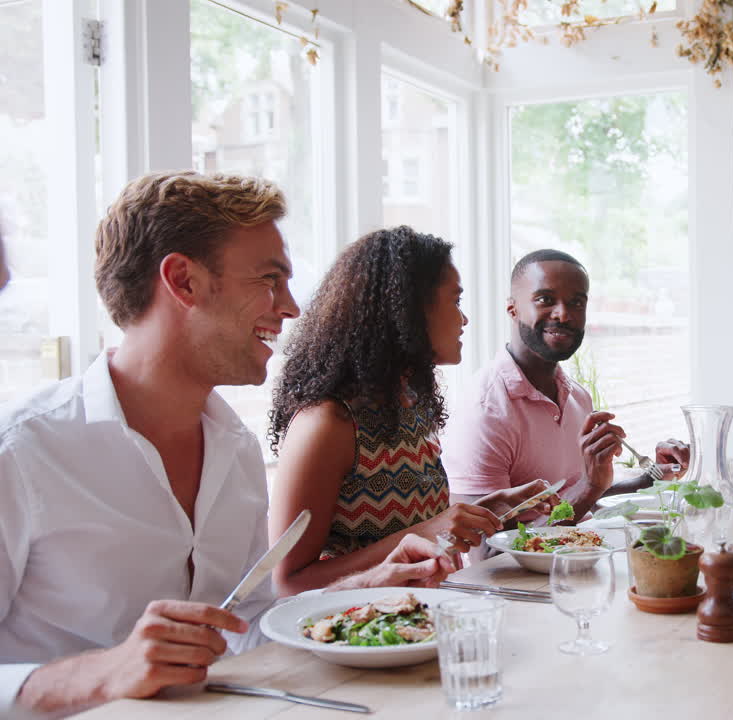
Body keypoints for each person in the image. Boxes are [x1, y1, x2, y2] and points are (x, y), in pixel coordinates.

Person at [0, 172, 453, 716]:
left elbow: (247, 629)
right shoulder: (22, 453)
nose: (292, 307)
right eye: (269, 278)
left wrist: (363, 586)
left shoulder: (236, 447)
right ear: (183, 281)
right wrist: (102, 672)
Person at [266, 227, 557, 595]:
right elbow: (286, 582)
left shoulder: (410, 403)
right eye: (455, 301)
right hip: (355, 639)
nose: (464, 320)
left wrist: (490, 509)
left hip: (421, 624)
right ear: (408, 309)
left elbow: (410, 529)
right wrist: (423, 533)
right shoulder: (327, 422)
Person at [444, 249, 688, 520]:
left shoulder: (576, 396)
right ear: (512, 308)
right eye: (545, 299)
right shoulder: (485, 409)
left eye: (576, 303)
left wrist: (652, 476)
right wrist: (589, 486)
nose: (563, 314)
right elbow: (485, 551)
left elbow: (580, 500)